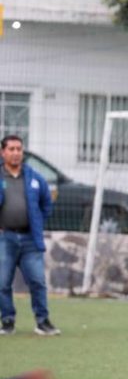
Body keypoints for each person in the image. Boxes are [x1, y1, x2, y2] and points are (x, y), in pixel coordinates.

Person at [0, 135, 59, 336]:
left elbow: (47, 203)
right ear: (3, 152)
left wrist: (38, 221)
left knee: (37, 281)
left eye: (19, 149)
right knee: (2, 282)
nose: (16, 153)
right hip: (5, 238)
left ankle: (42, 321)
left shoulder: (34, 177)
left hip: (30, 240)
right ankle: (7, 321)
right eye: (11, 149)